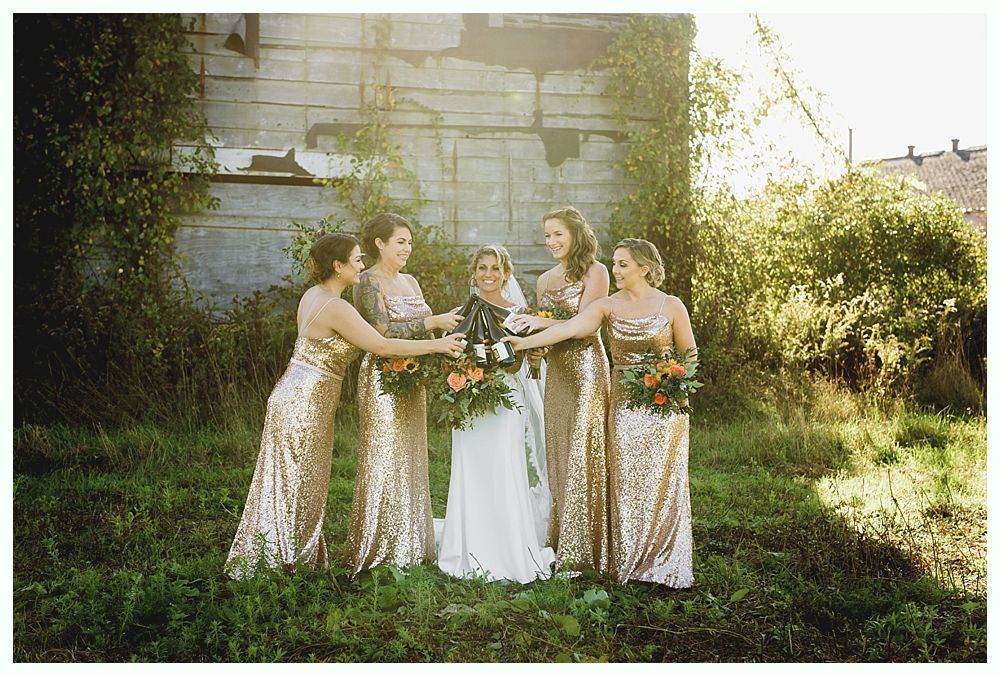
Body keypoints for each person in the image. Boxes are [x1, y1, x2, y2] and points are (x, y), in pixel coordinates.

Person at [225, 233, 466, 579]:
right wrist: (438, 346)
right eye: (356, 260)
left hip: (296, 395)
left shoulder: (314, 295)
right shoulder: (336, 307)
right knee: (298, 482)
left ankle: (287, 556)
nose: (361, 266)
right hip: (305, 403)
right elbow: (382, 346)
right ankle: (280, 561)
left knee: (291, 481)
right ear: (338, 266)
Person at [505, 238, 696, 586]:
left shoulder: (671, 305)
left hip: (666, 409)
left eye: (623, 264)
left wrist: (674, 385)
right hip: (624, 406)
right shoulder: (608, 305)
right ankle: (629, 560)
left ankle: (665, 560)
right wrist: (525, 341)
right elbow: (571, 328)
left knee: (664, 483)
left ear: (644, 269)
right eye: (615, 263)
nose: (616, 270)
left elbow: (690, 354)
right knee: (626, 481)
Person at [342, 213, 464, 575]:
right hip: (383, 378)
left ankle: (409, 542)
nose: (407, 248)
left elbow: (424, 334)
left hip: (414, 377)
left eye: (410, 242)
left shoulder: (410, 281)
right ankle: (378, 545)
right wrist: (433, 322)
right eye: (400, 241)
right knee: (384, 457)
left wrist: (446, 341)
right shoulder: (366, 281)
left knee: (411, 456)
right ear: (379, 243)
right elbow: (380, 331)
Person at [435, 245, 555, 583]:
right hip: (469, 400)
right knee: (470, 469)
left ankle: (508, 549)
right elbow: (448, 355)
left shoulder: (519, 314)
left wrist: (533, 354)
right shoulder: (459, 313)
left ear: (506, 273)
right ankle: (468, 546)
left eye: (495, 268)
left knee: (503, 467)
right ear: (474, 272)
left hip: (506, 402)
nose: (488, 274)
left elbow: (527, 359)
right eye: (482, 268)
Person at [505, 206, 610, 572]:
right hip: (557, 372)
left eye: (557, 234)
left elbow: (586, 325)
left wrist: (535, 322)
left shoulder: (597, 272)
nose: (551, 241)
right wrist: (534, 345)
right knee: (559, 450)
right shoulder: (545, 280)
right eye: (547, 235)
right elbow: (546, 331)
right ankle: (564, 536)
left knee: (585, 450)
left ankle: (590, 543)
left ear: (575, 234)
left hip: (587, 369)